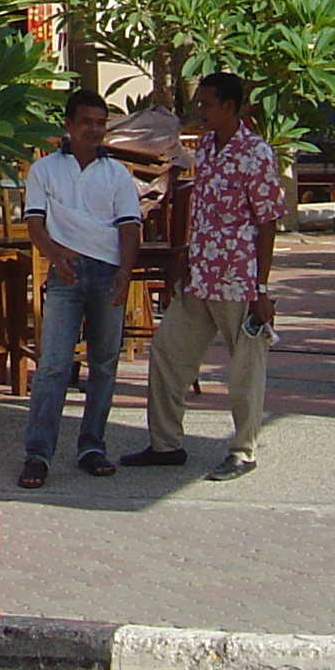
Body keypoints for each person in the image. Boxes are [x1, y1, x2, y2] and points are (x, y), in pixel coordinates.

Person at [123, 70, 287, 483]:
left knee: (245, 367)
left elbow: (267, 222)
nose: (201, 111)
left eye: (208, 104)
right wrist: (187, 257)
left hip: (239, 278)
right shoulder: (209, 147)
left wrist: (261, 289)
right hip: (201, 275)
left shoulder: (256, 153)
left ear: (230, 107)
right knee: (167, 351)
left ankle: (243, 450)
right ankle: (165, 443)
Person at [17, 88, 143, 488]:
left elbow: (130, 225)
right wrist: (55, 256)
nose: (94, 130)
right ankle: (38, 454)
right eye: (86, 122)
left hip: (107, 272)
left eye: (100, 122)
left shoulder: (117, 174)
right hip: (66, 272)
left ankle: (92, 445)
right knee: (53, 365)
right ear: (68, 125)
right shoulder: (45, 171)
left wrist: (125, 270)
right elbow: (35, 224)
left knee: (104, 363)